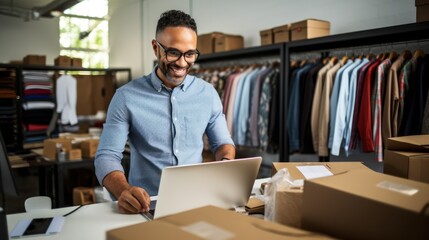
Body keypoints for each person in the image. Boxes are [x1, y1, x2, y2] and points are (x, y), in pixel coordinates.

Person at [94, 10, 235, 214]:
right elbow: (106, 156)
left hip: (198, 203)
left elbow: (223, 144)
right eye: (173, 53)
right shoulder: (126, 97)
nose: (182, 63)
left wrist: (226, 165)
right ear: (155, 48)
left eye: (190, 54)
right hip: (145, 208)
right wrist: (124, 190)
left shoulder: (208, 94)